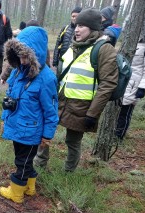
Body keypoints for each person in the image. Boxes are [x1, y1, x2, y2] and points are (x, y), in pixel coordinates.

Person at [36, 8, 118, 172]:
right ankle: (38, 166)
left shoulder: (103, 49)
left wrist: (92, 114)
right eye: (77, 25)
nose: (77, 29)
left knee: (72, 142)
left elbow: (108, 83)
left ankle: (68, 173)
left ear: (93, 28)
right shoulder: (74, 46)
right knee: (45, 132)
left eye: (82, 26)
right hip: (59, 101)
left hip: (81, 107)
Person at [0, 26, 59, 204]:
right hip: (17, 126)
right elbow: (9, 97)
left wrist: (47, 135)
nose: (23, 61)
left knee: (22, 163)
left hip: (31, 131)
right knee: (25, 160)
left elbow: (51, 111)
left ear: (36, 54)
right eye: (19, 56)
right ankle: (30, 187)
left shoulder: (46, 79)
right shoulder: (18, 71)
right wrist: (4, 119)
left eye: (26, 56)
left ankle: (16, 193)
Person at [116, 14, 145, 140]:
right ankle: (111, 132)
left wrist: (142, 88)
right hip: (120, 81)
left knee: (125, 111)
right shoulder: (128, 41)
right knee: (115, 109)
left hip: (134, 84)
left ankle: (118, 137)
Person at [53, 6, 82, 76]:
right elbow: (58, 44)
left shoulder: (82, 30)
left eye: (76, 16)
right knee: (58, 78)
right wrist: (55, 60)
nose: (74, 18)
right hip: (62, 59)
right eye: (73, 16)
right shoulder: (65, 28)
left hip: (74, 61)